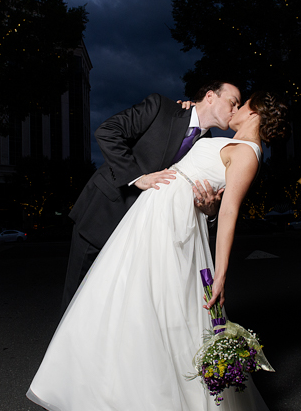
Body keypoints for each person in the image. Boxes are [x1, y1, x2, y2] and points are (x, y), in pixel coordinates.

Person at [28, 91, 291, 411]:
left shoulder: (247, 153)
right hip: (149, 216)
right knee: (118, 299)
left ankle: (139, 407)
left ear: (255, 113)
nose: (236, 107)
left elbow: (227, 213)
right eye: (233, 100)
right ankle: (96, 394)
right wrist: (191, 107)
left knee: (154, 309)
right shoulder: (224, 140)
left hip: (172, 226)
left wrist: (221, 273)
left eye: (242, 104)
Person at [60, 81, 242, 314]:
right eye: (232, 102)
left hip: (144, 238)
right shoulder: (161, 108)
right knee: (75, 303)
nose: (236, 110)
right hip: (104, 215)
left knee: (114, 309)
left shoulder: (209, 148)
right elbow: (107, 131)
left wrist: (210, 212)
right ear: (209, 96)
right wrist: (137, 177)